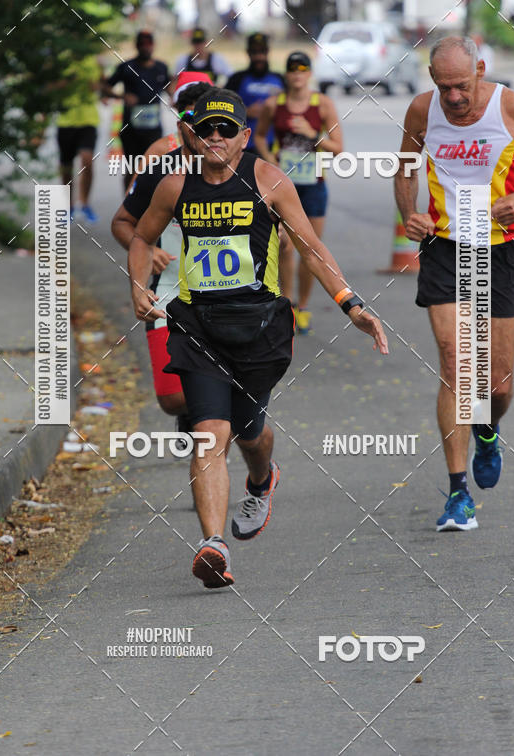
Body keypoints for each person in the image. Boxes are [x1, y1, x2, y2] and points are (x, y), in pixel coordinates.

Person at [128, 87, 388, 589]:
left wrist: (350, 304)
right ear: (193, 135)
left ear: (246, 136)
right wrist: (138, 285)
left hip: (259, 330)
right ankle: (213, 545)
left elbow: (311, 249)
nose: (217, 137)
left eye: (228, 129)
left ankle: (262, 479)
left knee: (250, 434)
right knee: (210, 433)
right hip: (198, 325)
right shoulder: (174, 187)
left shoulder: (268, 181)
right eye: (207, 129)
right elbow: (141, 236)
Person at [395, 35, 514, 532]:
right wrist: (410, 215)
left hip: (502, 247)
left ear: (482, 71)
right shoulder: (422, 111)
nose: (453, 98)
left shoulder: (511, 106)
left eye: (461, 86)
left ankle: (488, 428)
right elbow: (405, 168)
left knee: (497, 383)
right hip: (446, 246)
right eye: (444, 87)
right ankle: (458, 493)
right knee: (456, 363)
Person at [111, 74, 214, 455]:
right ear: (177, 120)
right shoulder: (160, 162)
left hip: (229, 295)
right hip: (168, 288)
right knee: (172, 399)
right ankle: (192, 414)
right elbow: (124, 223)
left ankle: (233, 455)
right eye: (186, 117)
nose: (196, 127)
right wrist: (148, 250)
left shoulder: (240, 166)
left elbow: (281, 227)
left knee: (222, 409)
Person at [254, 51, 343, 335]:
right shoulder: (273, 104)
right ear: (287, 73)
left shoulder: (323, 104)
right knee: (284, 246)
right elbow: (258, 135)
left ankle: (303, 306)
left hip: (313, 185)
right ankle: (288, 304)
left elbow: (338, 146)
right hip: (282, 186)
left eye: (302, 69)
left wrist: (312, 134)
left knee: (311, 247)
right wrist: (270, 158)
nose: (297, 74)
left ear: (309, 73)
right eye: (292, 69)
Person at [102, 30, 170, 191]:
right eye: (142, 44)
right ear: (137, 46)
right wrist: (121, 96)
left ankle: (150, 208)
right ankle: (128, 204)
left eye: (148, 44)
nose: (145, 48)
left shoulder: (161, 68)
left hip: (153, 129)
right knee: (131, 169)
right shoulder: (126, 67)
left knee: (154, 169)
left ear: (153, 46)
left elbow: (171, 88)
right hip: (130, 129)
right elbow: (105, 87)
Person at [56, 53, 102, 223]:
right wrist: (68, 81)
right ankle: (68, 207)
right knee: (66, 166)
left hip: (88, 120)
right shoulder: (61, 59)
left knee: (87, 159)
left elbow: (97, 86)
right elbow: (51, 87)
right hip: (66, 120)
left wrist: (92, 83)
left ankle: (85, 203)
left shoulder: (92, 59)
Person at [226, 32, 284, 143]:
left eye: (262, 51)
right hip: (244, 146)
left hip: (275, 145)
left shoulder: (280, 79)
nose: (259, 56)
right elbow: (223, 108)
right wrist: (245, 112)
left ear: (268, 52)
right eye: (254, 52)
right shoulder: (236, 79)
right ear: (248, 53)